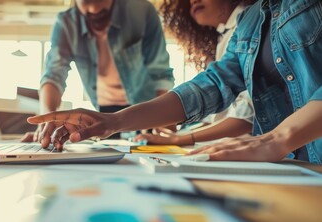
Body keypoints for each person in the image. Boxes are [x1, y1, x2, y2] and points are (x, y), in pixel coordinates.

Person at [27, 0, 322, 164]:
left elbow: (160, 73)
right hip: (300, 167)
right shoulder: (251, 22)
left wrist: (274, 139)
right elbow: (208, 86)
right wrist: (112, 121)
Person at [21, 0, 174, 143]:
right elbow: (53, 75)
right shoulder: (66, 24)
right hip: (103, 112)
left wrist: (163, 117)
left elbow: (159, 73)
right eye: (87, 1)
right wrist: (48, 119)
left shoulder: (142, 11)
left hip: (145, 108)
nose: (95, 9)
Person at [134, 0, 256, 146]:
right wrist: (178, 135)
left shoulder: (248, 26)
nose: (193, 1)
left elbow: (246, 118)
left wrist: (179, 139)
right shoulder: (224, 35)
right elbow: (217, 119)